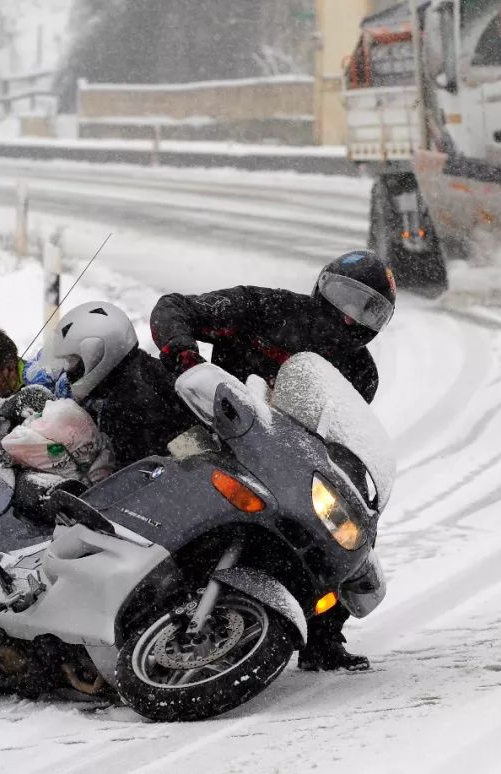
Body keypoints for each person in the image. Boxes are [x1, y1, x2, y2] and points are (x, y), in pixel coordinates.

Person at [148, 249, 397, 672]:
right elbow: (174, 308)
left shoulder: (361, 370)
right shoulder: (265, 307)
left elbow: (341, 435)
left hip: (282, 460)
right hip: (208, 429)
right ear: (322, 285)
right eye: (346, 296)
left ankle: (323, 634)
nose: (352, 317)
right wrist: (186, 360)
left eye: (370, 309)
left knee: (341, 526)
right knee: (150, 442)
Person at [39, 301, 197, 467]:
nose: (68, 370)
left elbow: (133, 477)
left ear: (96, 352)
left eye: (72, 361)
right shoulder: (140, 370)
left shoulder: (129, 404)